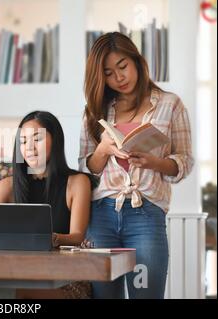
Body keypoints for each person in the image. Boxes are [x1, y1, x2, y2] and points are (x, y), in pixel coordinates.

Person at [79, 32, 194, 299]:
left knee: (146, 295)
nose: (119, 77)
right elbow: (86, 169)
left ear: (137, 61)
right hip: (101, 216)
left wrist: (155, 162)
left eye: (123, 66)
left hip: (146, 215)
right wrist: (103, 150)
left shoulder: (170, 104)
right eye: (108, 73)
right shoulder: (95, 110)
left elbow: (185, 162)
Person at [0, 110, 94, 298]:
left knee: (8, 293)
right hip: (16, 273)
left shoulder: (77, 182)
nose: (29, 148)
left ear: (55, 141)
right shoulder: (5, 187)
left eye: (36, 139)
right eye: (23, 141)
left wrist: (50, 238)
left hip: (68, 277)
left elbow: (77, 237)